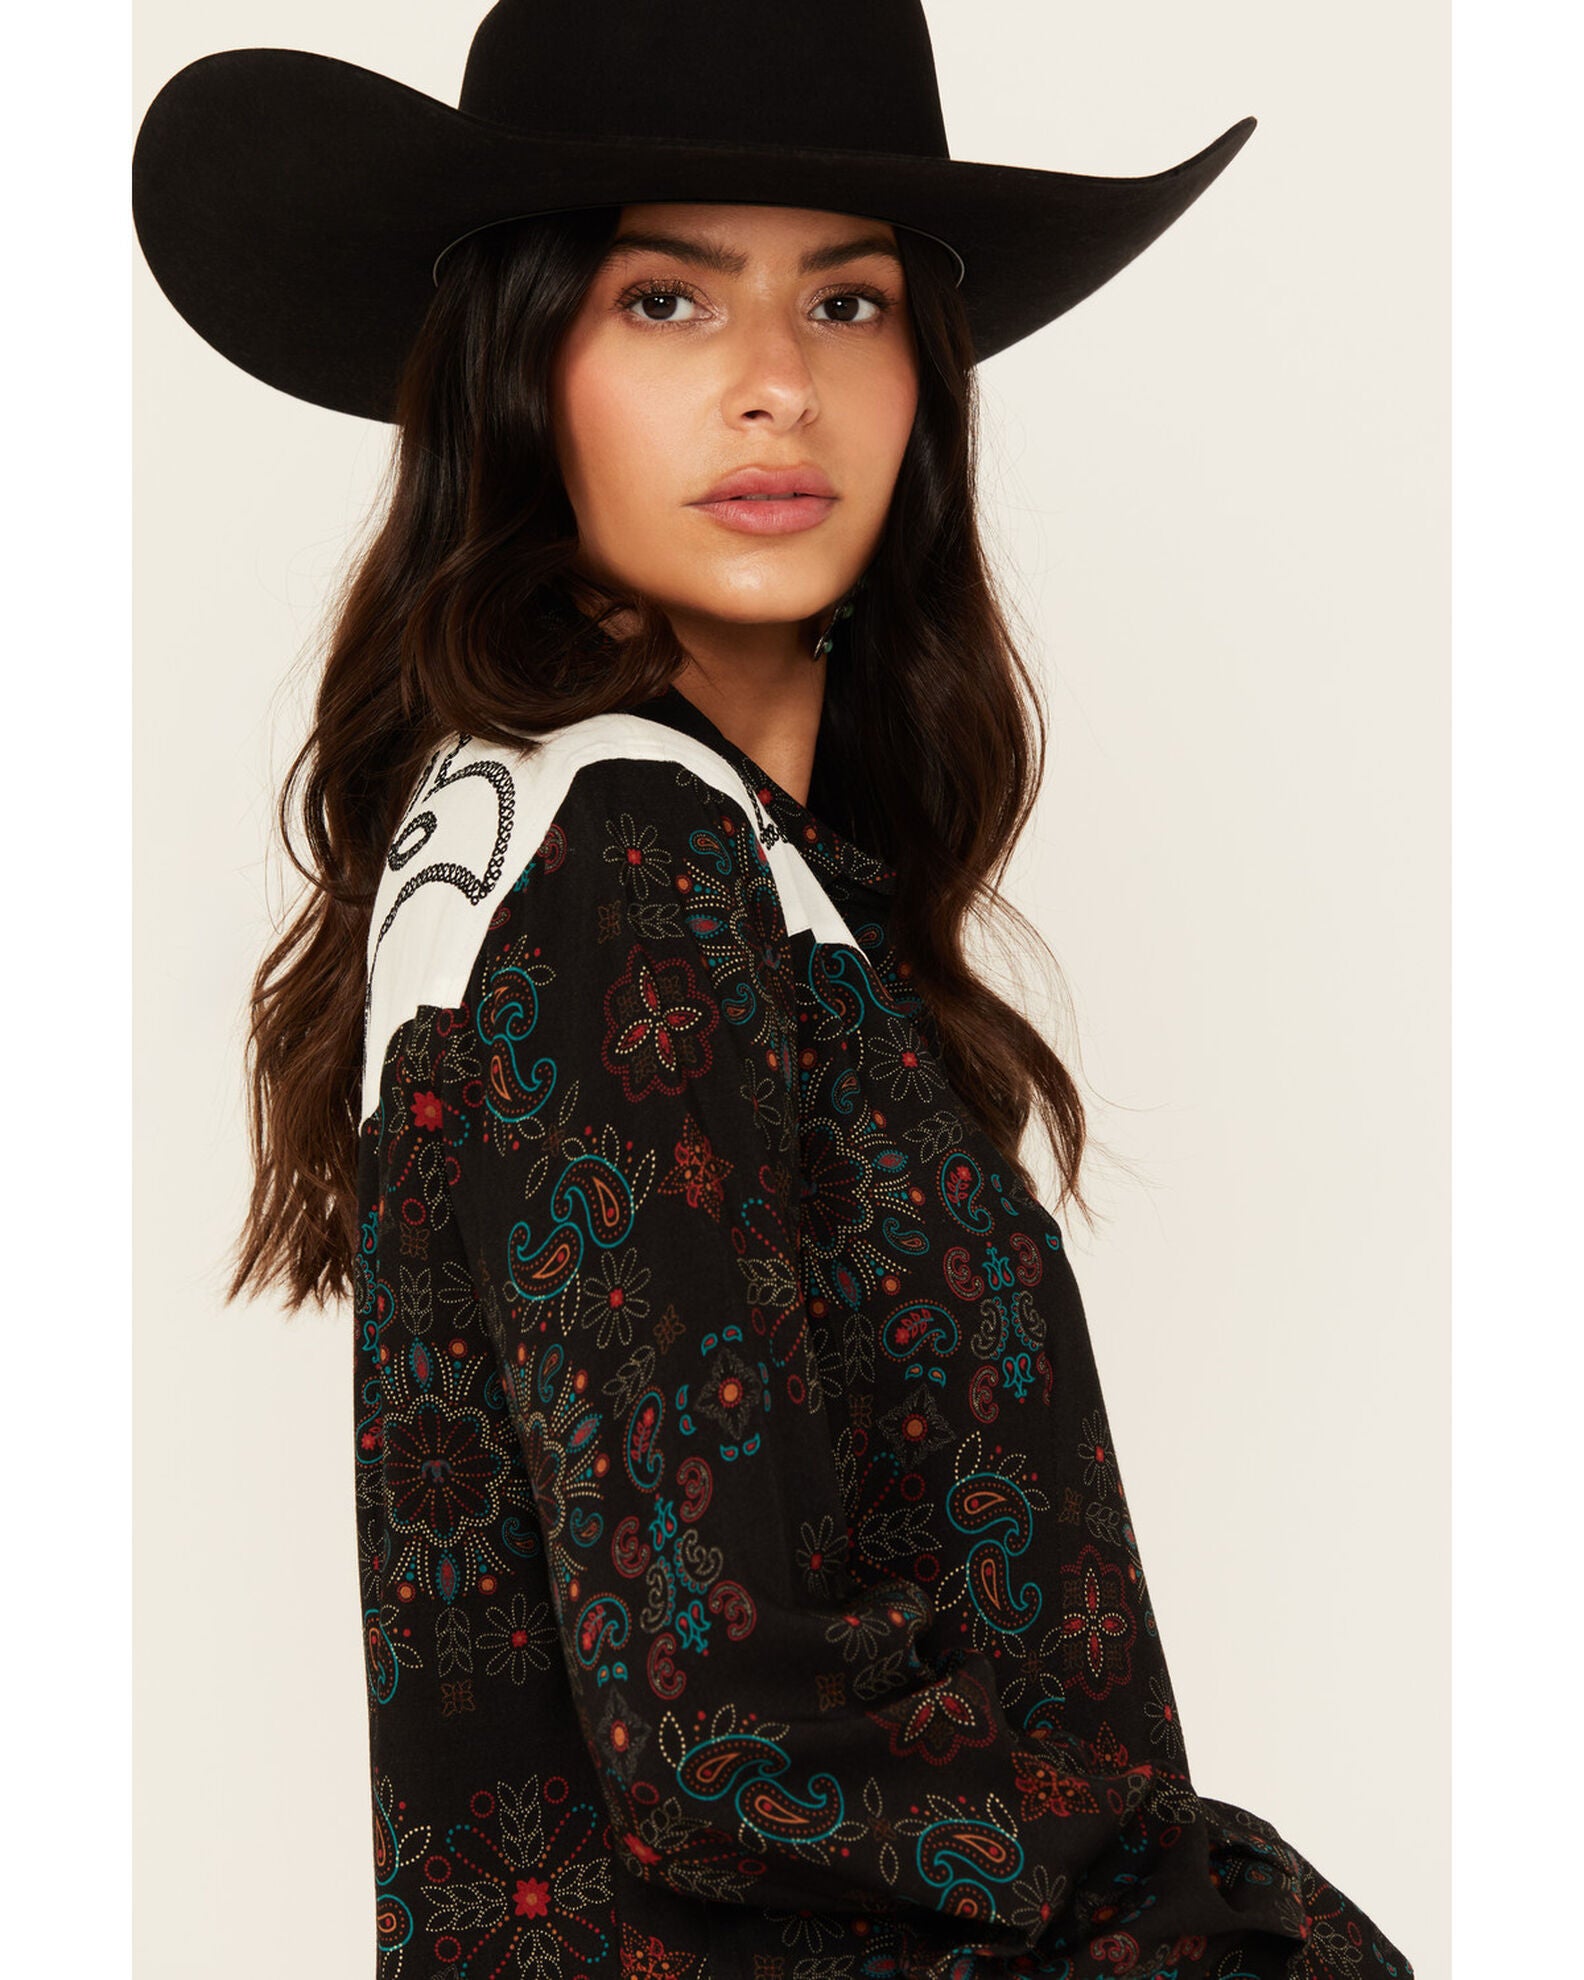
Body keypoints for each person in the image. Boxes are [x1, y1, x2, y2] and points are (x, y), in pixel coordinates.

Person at [132, 5, 1415, 1976]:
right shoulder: (624, 856)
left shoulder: (646, 849)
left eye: (846, 302)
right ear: (519, 367)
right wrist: (1222, 1921)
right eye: (666, 299)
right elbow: (724, 1736)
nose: (775, 387)